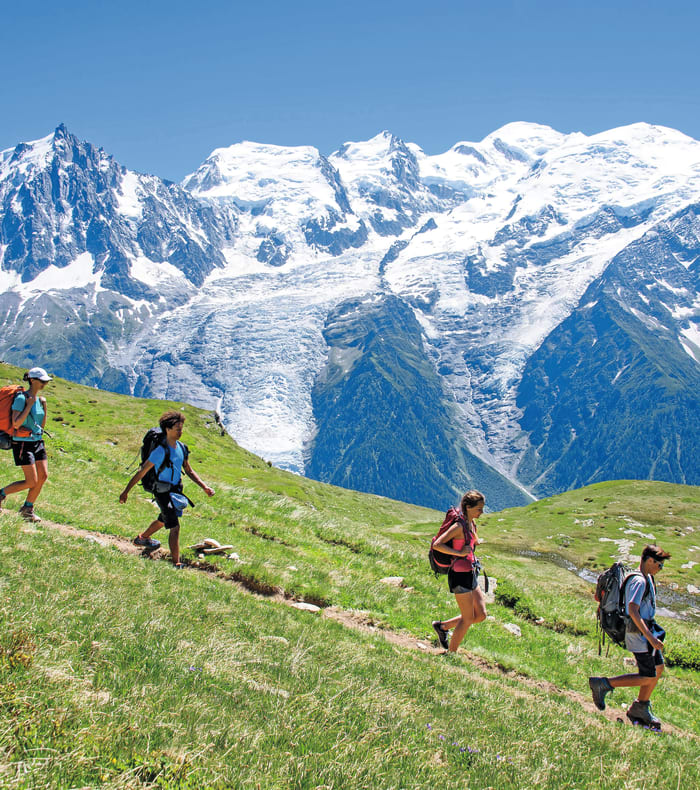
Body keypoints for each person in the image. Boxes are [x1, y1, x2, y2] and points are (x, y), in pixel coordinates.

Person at [588, 544, 672, 729]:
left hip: (645, 633)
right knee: (647, 676)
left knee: (658, 669)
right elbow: (633, 610)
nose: (660, 569)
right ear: (649, 561)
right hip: (639, 636)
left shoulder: (646, 578)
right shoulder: (639, 581)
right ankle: (603, 684)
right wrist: (650, 638)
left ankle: (640, 707)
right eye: (659, 565)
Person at [119, 410, 215, 568]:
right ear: (167, 429)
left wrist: (204, 487)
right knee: (175, 527)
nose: (180, 432)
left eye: (181, 429)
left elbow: (188, 470)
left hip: (175, 490)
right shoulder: (160, 451)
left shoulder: (182, 448)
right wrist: (125, 492)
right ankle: (176, 563)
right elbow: (141, 472)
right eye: (177, 429)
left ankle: (142, 538)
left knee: (164, 519)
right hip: (162, 491)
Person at [431, 490, 487, 652]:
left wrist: (474, 543)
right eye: (479, 509)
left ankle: (442, 627)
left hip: (470, 572)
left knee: (480, 615)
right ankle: (451, 654)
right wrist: (459, 553)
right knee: (468, 618)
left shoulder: (471, 523)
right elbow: (437, 545)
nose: (482, 512)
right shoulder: (459, 526)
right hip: (459, 575)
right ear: (468, 507)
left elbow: (471, 542)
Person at [0, 368, 52, 522]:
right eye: (42, 381)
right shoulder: (21, 398)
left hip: (37, 441)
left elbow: (41, 426)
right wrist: (29, 405)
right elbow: (16, 423)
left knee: (43, 476)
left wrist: (44, 406)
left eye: (46, 381)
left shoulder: (40, 400)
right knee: (31, 481)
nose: (44, 383)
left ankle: (27, 509)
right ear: (32, 380)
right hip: (22, 443)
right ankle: (1, 494)